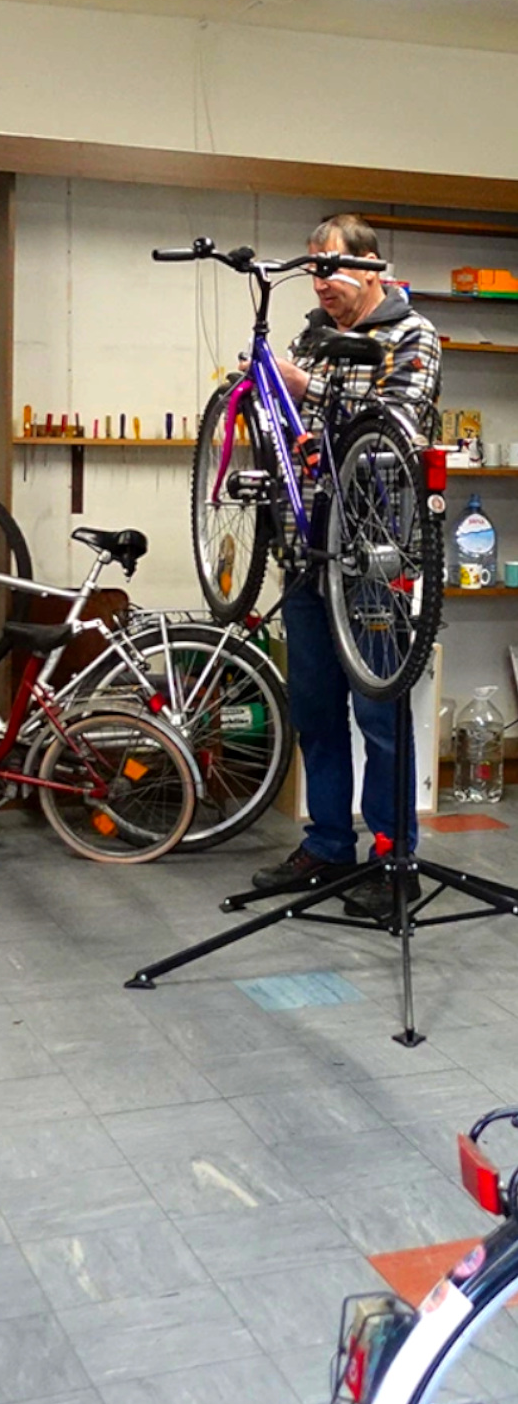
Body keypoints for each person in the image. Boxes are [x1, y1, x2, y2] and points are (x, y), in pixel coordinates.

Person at [251, 214, 442, 921]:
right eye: (312, 270)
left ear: (371, 266)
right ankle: (327, 845)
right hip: (306, 553)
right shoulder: (309, 336)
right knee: (315, 711)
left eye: (331, 268)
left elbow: (395, 427)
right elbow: (289, 435)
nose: (320, 283)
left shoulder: (411, 334)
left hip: (374, 556)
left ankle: (394, 860)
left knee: (380, 716)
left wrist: (308, 391)